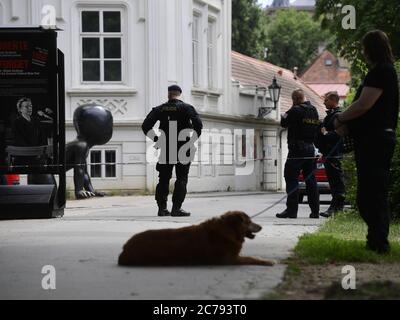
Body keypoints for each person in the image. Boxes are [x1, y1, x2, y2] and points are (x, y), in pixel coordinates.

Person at [334, 30, 399, 254]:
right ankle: (375, 239)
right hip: (375, 138)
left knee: (372, 193)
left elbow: (364, 105)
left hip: (375, 140)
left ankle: (379, 242)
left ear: (370, 49)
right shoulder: (384, 71)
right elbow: (369, 111)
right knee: (370, 193)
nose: (362, 52)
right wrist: (349, 126)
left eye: (364, 48)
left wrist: (340, 118)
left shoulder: (381, 72)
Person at [142, 85, 203, 217]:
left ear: (168, 94)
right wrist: (192, 140)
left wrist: (157, 139)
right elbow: (198, 124)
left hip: (166, 147)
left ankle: (162, 209)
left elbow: (146, 126)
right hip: (183, 147)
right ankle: (176, 209)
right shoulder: (187, 108)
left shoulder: (160, 109)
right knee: (181, 178)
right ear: (179, 94)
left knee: (163, 179)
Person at [277, 89, 320, 219]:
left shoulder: (295, 110)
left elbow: (283, 122)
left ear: (295, 99)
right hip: (310, 148)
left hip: (296, 150)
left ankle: (291, 211)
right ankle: (315, 212)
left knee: (291, 178)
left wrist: (292, 107)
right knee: (311, 180)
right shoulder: (314, 110)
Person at [316, 91, 346, 218]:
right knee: (333, 183)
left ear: (334, 100)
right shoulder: (331, 115)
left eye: (326, 100)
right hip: (328, 153)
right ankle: (335, 208)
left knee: (336, 183)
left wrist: (324, 133)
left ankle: (337, 208)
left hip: (334, 154)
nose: (324, 102)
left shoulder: (338, 116)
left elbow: (338, 134)